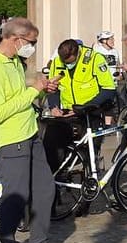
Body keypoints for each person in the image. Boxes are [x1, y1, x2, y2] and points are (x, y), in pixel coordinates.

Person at [0, 18, 71, 243]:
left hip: (29, 133)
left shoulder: (14, 62)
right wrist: (33, 90)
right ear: (15, 39)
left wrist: (42, 86)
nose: (34, 47)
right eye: (31, 42)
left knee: (44, 189)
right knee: (16, 197)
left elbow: (21, 92)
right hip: (11, 140)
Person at [42, 38, 117, 172]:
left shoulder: (94, 59)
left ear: (78, 54)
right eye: (64, 63)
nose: (67, 65)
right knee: (54, 147)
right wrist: (54, 107)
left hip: (90, 112)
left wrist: (84, 108)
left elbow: (109, 89)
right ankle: (57, 178)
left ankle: (90, 176)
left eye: (70, 63)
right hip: (66, 112)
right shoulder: (57, 61)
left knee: (90, 151)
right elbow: (53, 88)